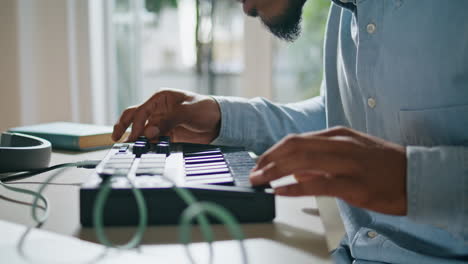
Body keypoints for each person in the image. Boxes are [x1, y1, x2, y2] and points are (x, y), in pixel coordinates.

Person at [112, 0, 468, 263]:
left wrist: (410, 178)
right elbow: (337, 123)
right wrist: (221, 116)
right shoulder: (345, 15)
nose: (247, 9)